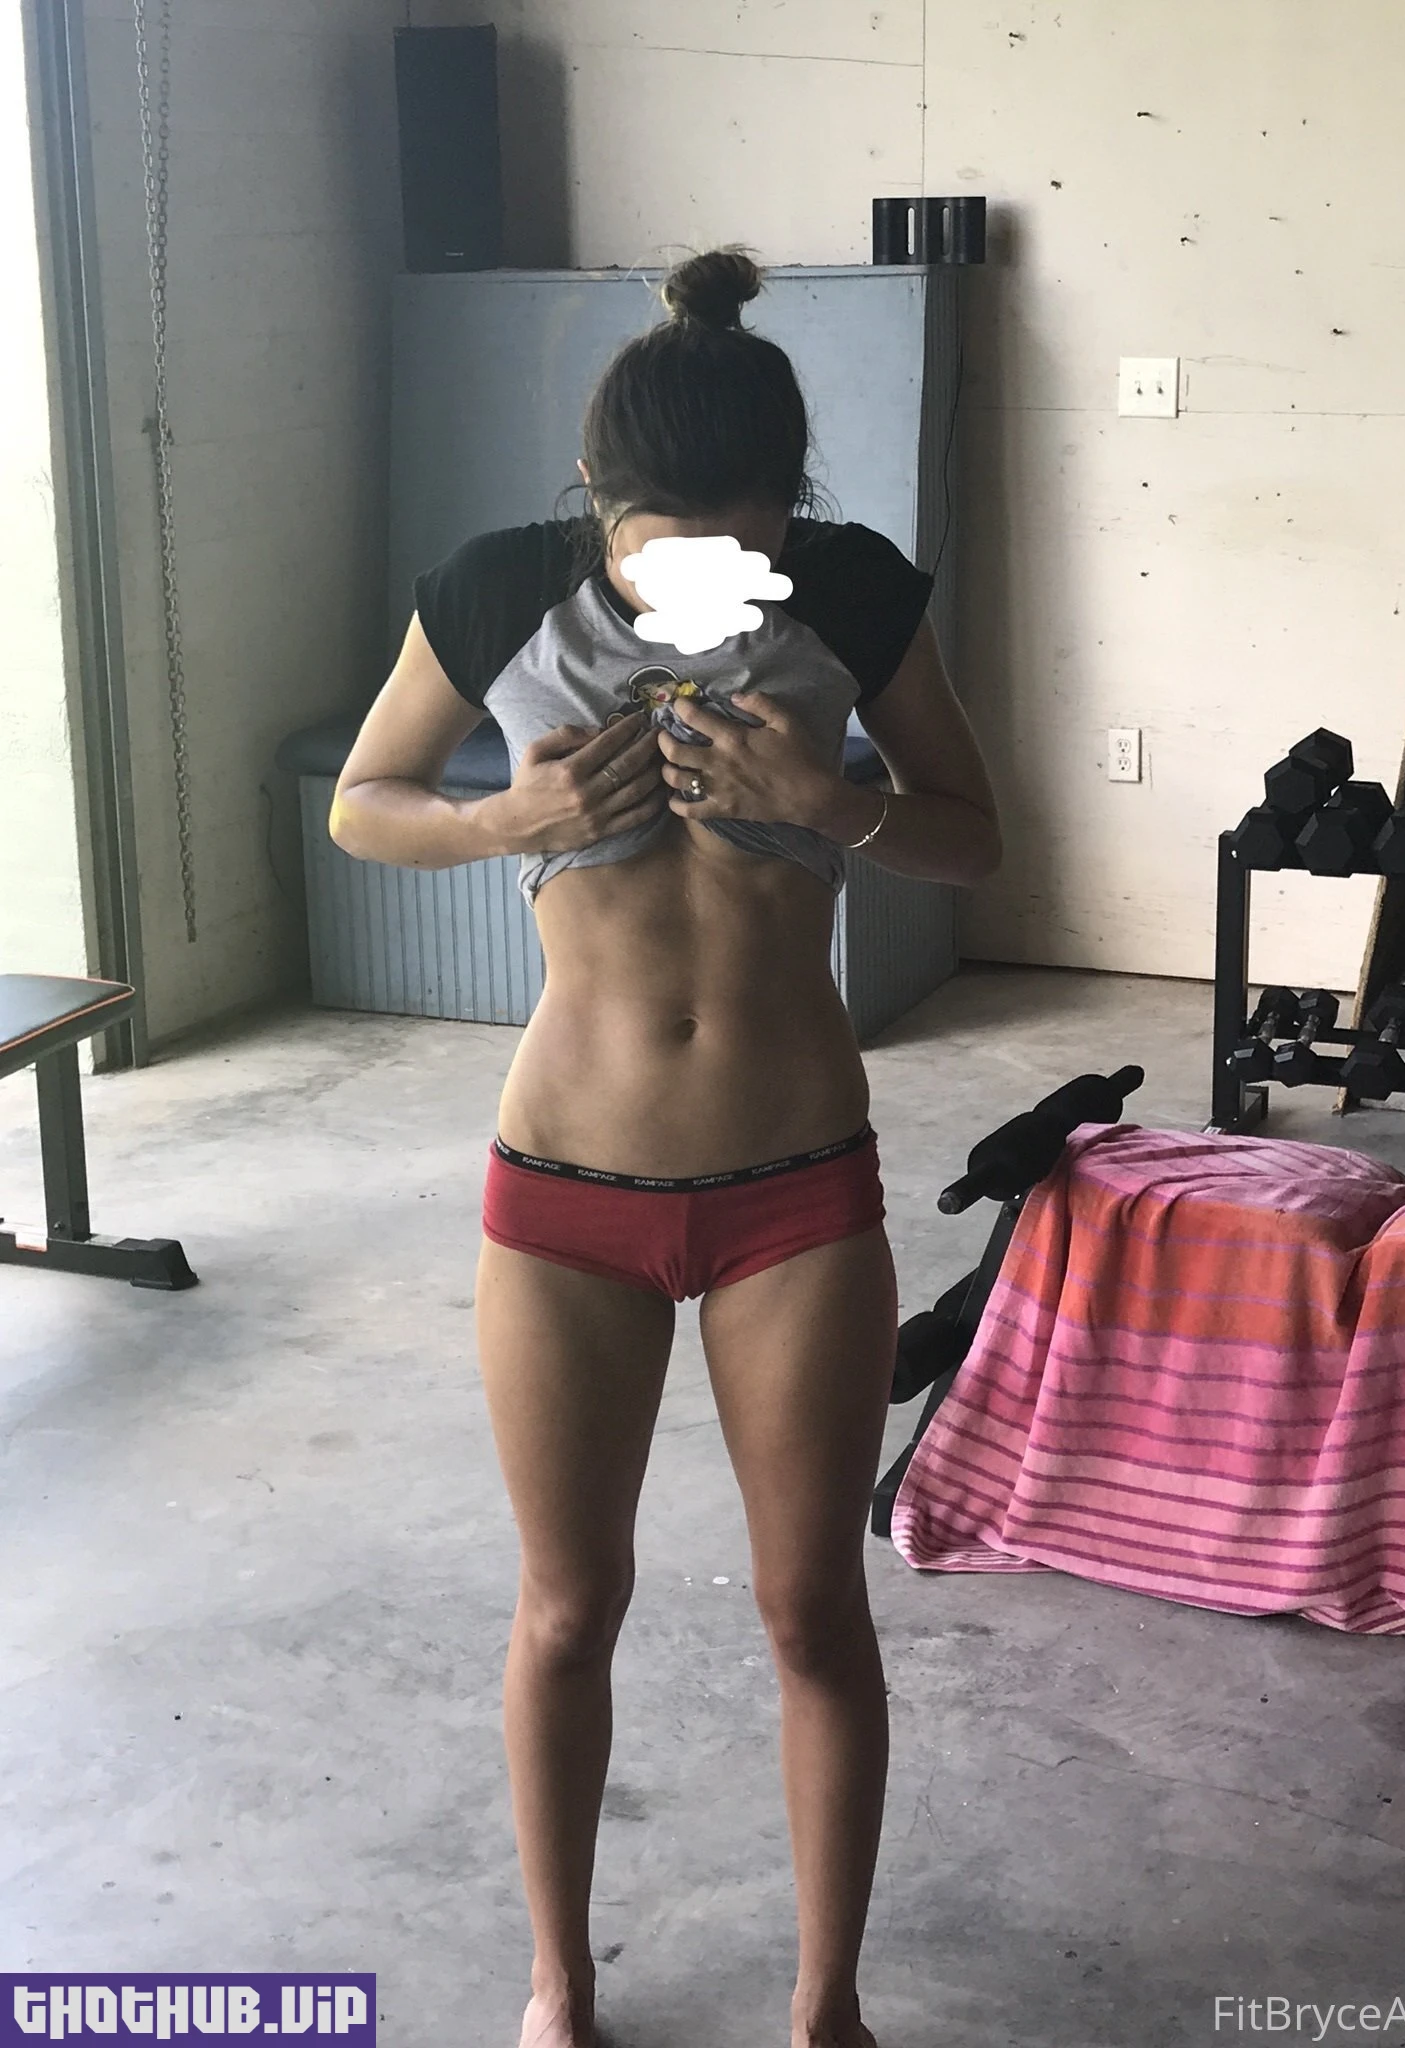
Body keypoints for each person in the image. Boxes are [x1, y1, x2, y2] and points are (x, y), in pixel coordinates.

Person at [329, 246, 1002, 2048]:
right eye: (657, 550)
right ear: (592, 492)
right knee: (568, 1608)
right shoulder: (498, 590)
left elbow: (974, 839)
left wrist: (831, 802)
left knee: (811, 1612)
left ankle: (826, 2005)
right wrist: (507, 818)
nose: (700, 578)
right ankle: (560, 1982)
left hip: (798, 1191)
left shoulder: (851, 591)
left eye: (738, 546)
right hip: (566, 1196)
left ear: (790, 504)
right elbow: (364, 805)